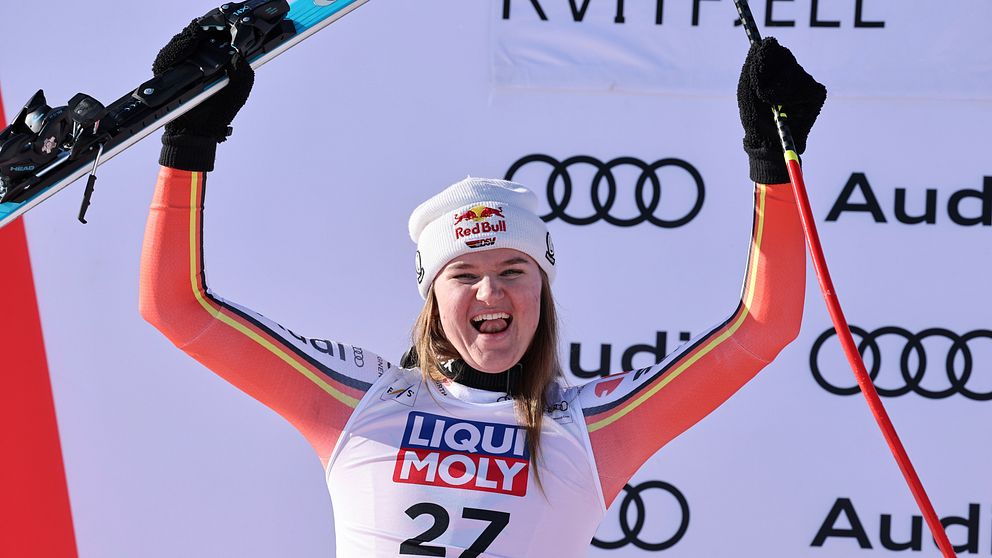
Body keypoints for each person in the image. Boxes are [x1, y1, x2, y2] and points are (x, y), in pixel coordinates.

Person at [140, 21, 825, 558]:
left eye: (514, 272)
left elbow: (762, 328)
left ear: (543, 291)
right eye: (463, 275)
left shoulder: (589, 428)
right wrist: (189, 143)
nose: (490, 293)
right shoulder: (358, 399)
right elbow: (177, 307)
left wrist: (772, 162)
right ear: (432, 298)